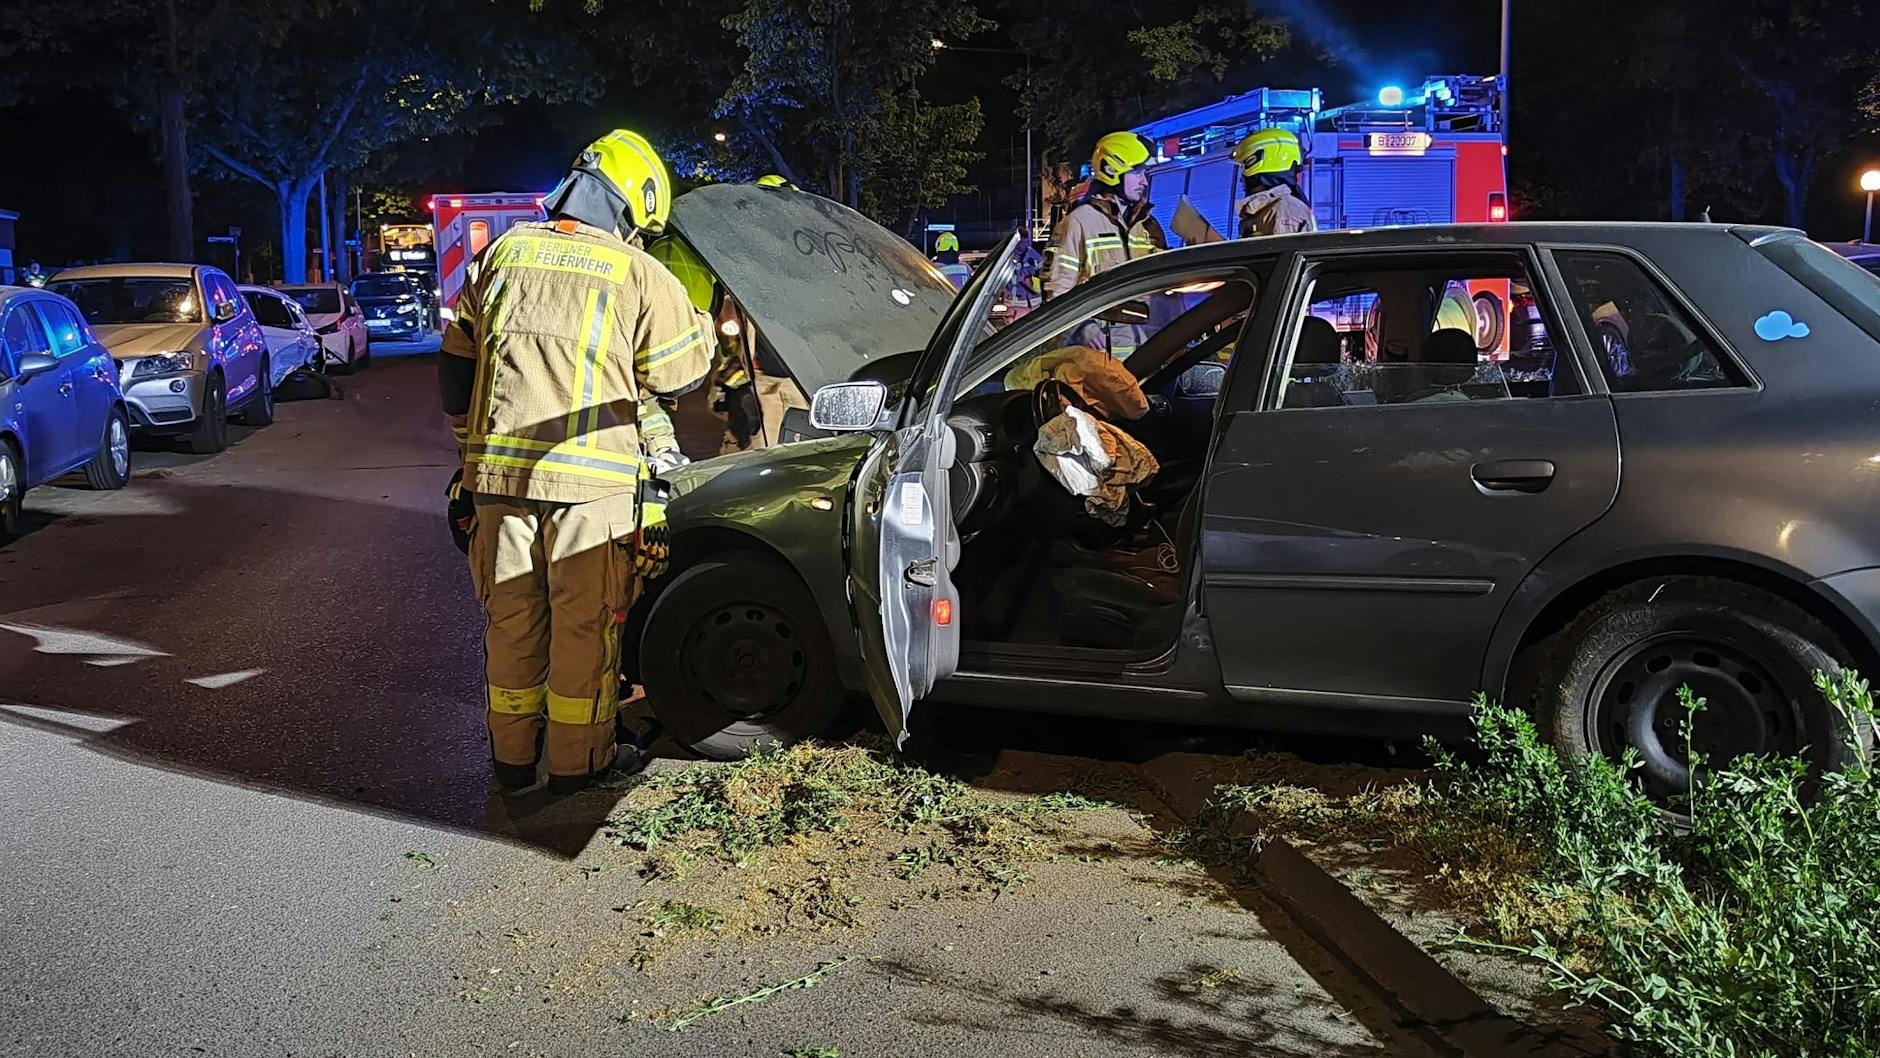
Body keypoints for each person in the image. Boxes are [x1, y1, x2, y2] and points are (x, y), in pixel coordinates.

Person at [438, 129, 712, 795]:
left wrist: (467, 458)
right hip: (592, 493)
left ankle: (511, 762)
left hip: (498, 484)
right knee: (584, 628)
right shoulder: (638, 273)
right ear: (630, 207)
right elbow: (679, 375)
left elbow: (455, 371)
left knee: (512, 621)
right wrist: (697, 320)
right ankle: (576, 766)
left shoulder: (500, 254)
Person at [1045, 131, 1167, 356]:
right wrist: (1083, 329)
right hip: (1101, 363)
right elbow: (1056, 293)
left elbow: (1163, 287)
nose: (1144, 181)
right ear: (1111, 170)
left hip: (1148, 357)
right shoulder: (1078, 223)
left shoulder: (1147, 226)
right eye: (1137, 172)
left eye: (1145, 173)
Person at [1231, 127, 1316, 238]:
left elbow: (1279, 254)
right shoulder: (1267, 209)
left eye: (1244, 168)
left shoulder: (1284, 211)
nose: (1241, 180)